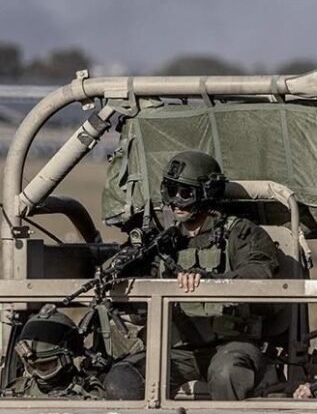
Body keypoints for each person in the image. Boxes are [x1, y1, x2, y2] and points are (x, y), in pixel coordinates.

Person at [105, 150, 282, 401]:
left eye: (185, 193)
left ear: (207, 193)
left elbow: (258, 274)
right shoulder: (163, 240)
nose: (176, 201)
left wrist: (209, 282)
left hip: (233, 344)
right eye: (171, 191)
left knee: (226, 374)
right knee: (122, 380)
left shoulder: (241, 233)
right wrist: (123, 269)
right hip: (179, 348)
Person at [7, 304, 104, 399]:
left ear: (67, 361)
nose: (36, 375)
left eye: (44, 366)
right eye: (31, 367)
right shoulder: (17, 389)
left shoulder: (88, 392)